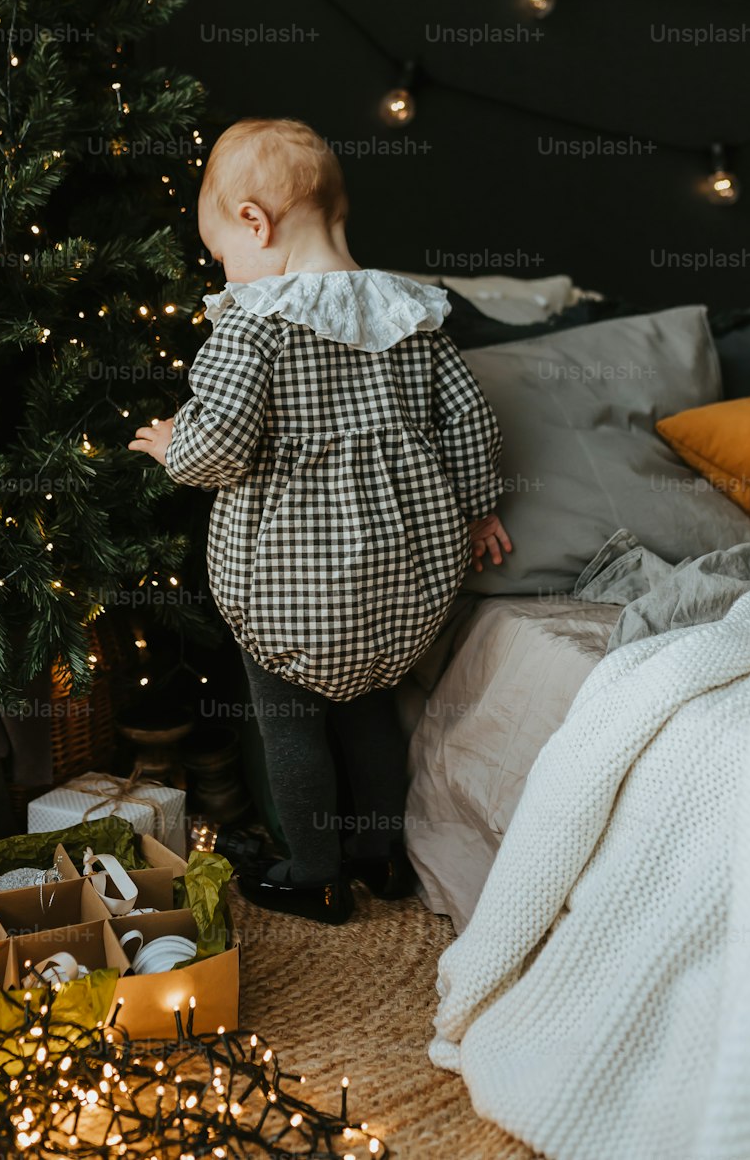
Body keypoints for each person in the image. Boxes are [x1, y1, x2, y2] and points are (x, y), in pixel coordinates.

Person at [129, 118, 510, 923]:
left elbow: (222, 445)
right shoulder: (409, 311)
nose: (227, 275)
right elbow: (469, 419)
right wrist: (479, 512)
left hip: (293, 584)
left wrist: (173, 449)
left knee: (291, 725)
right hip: (404, 575)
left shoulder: (256, 323)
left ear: (254, 224)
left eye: (222, 254)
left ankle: (315, 874)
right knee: (371, 706)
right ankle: (383, 859)